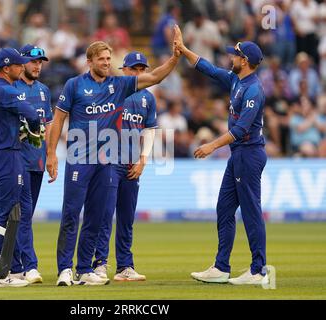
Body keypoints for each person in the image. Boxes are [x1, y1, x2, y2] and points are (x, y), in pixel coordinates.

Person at [47, 38, 181, 286]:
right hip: (79, 158)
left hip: (107, 161)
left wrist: (174, 58)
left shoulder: (119, 85)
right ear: (90, 62)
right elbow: (58, 120)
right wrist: (51, 153)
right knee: (71, 213)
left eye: (109, 59)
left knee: (96, 218)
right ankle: (64, 269)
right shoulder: (74, 85)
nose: (107, 63)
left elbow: (154, 78)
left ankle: (85, 268)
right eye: (102, 59)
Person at [174, 26, 269, 285]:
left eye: (235, 56)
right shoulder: (237, 80)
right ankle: (221, 267)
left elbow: (240, 130)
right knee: (224, 209)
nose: (231, 58)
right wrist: (183, 51)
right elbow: (209, 69)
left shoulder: (253, 90)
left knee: (251, 211)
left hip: (249, 154)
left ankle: (258, 270)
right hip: (239, 156)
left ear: (245, 61)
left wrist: (210, 146)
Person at [92, 51, 157, 281]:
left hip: (132, 164)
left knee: (127, 218)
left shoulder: (148, 98)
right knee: (105, 214)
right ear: (125, 71)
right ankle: (99, 263)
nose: (139, 73)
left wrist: (143, 159)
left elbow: (149, 130)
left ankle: (124, 267)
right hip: (109, 161)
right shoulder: (114, 91)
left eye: (142, 69)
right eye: (134, 69)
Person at [0, 48, 40, 287]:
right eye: (19, 65)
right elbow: (33, 115)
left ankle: (5, 270)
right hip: (7, 156)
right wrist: (32, 131)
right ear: (7, 68)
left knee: (4, 212)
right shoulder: (7, 90)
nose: (22, 68)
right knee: (4, 215)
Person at [9, 45, 52, 284]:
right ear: (22, 63)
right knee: (23, 215)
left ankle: (14, 266)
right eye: (33, 61)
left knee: (24, 216)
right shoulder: (11, 88)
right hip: (16, 161)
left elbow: (49, 125)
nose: (37, 66)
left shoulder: (44, 91)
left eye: (41, 62)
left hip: (37, 161)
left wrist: (52, 157)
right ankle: (30, 266)